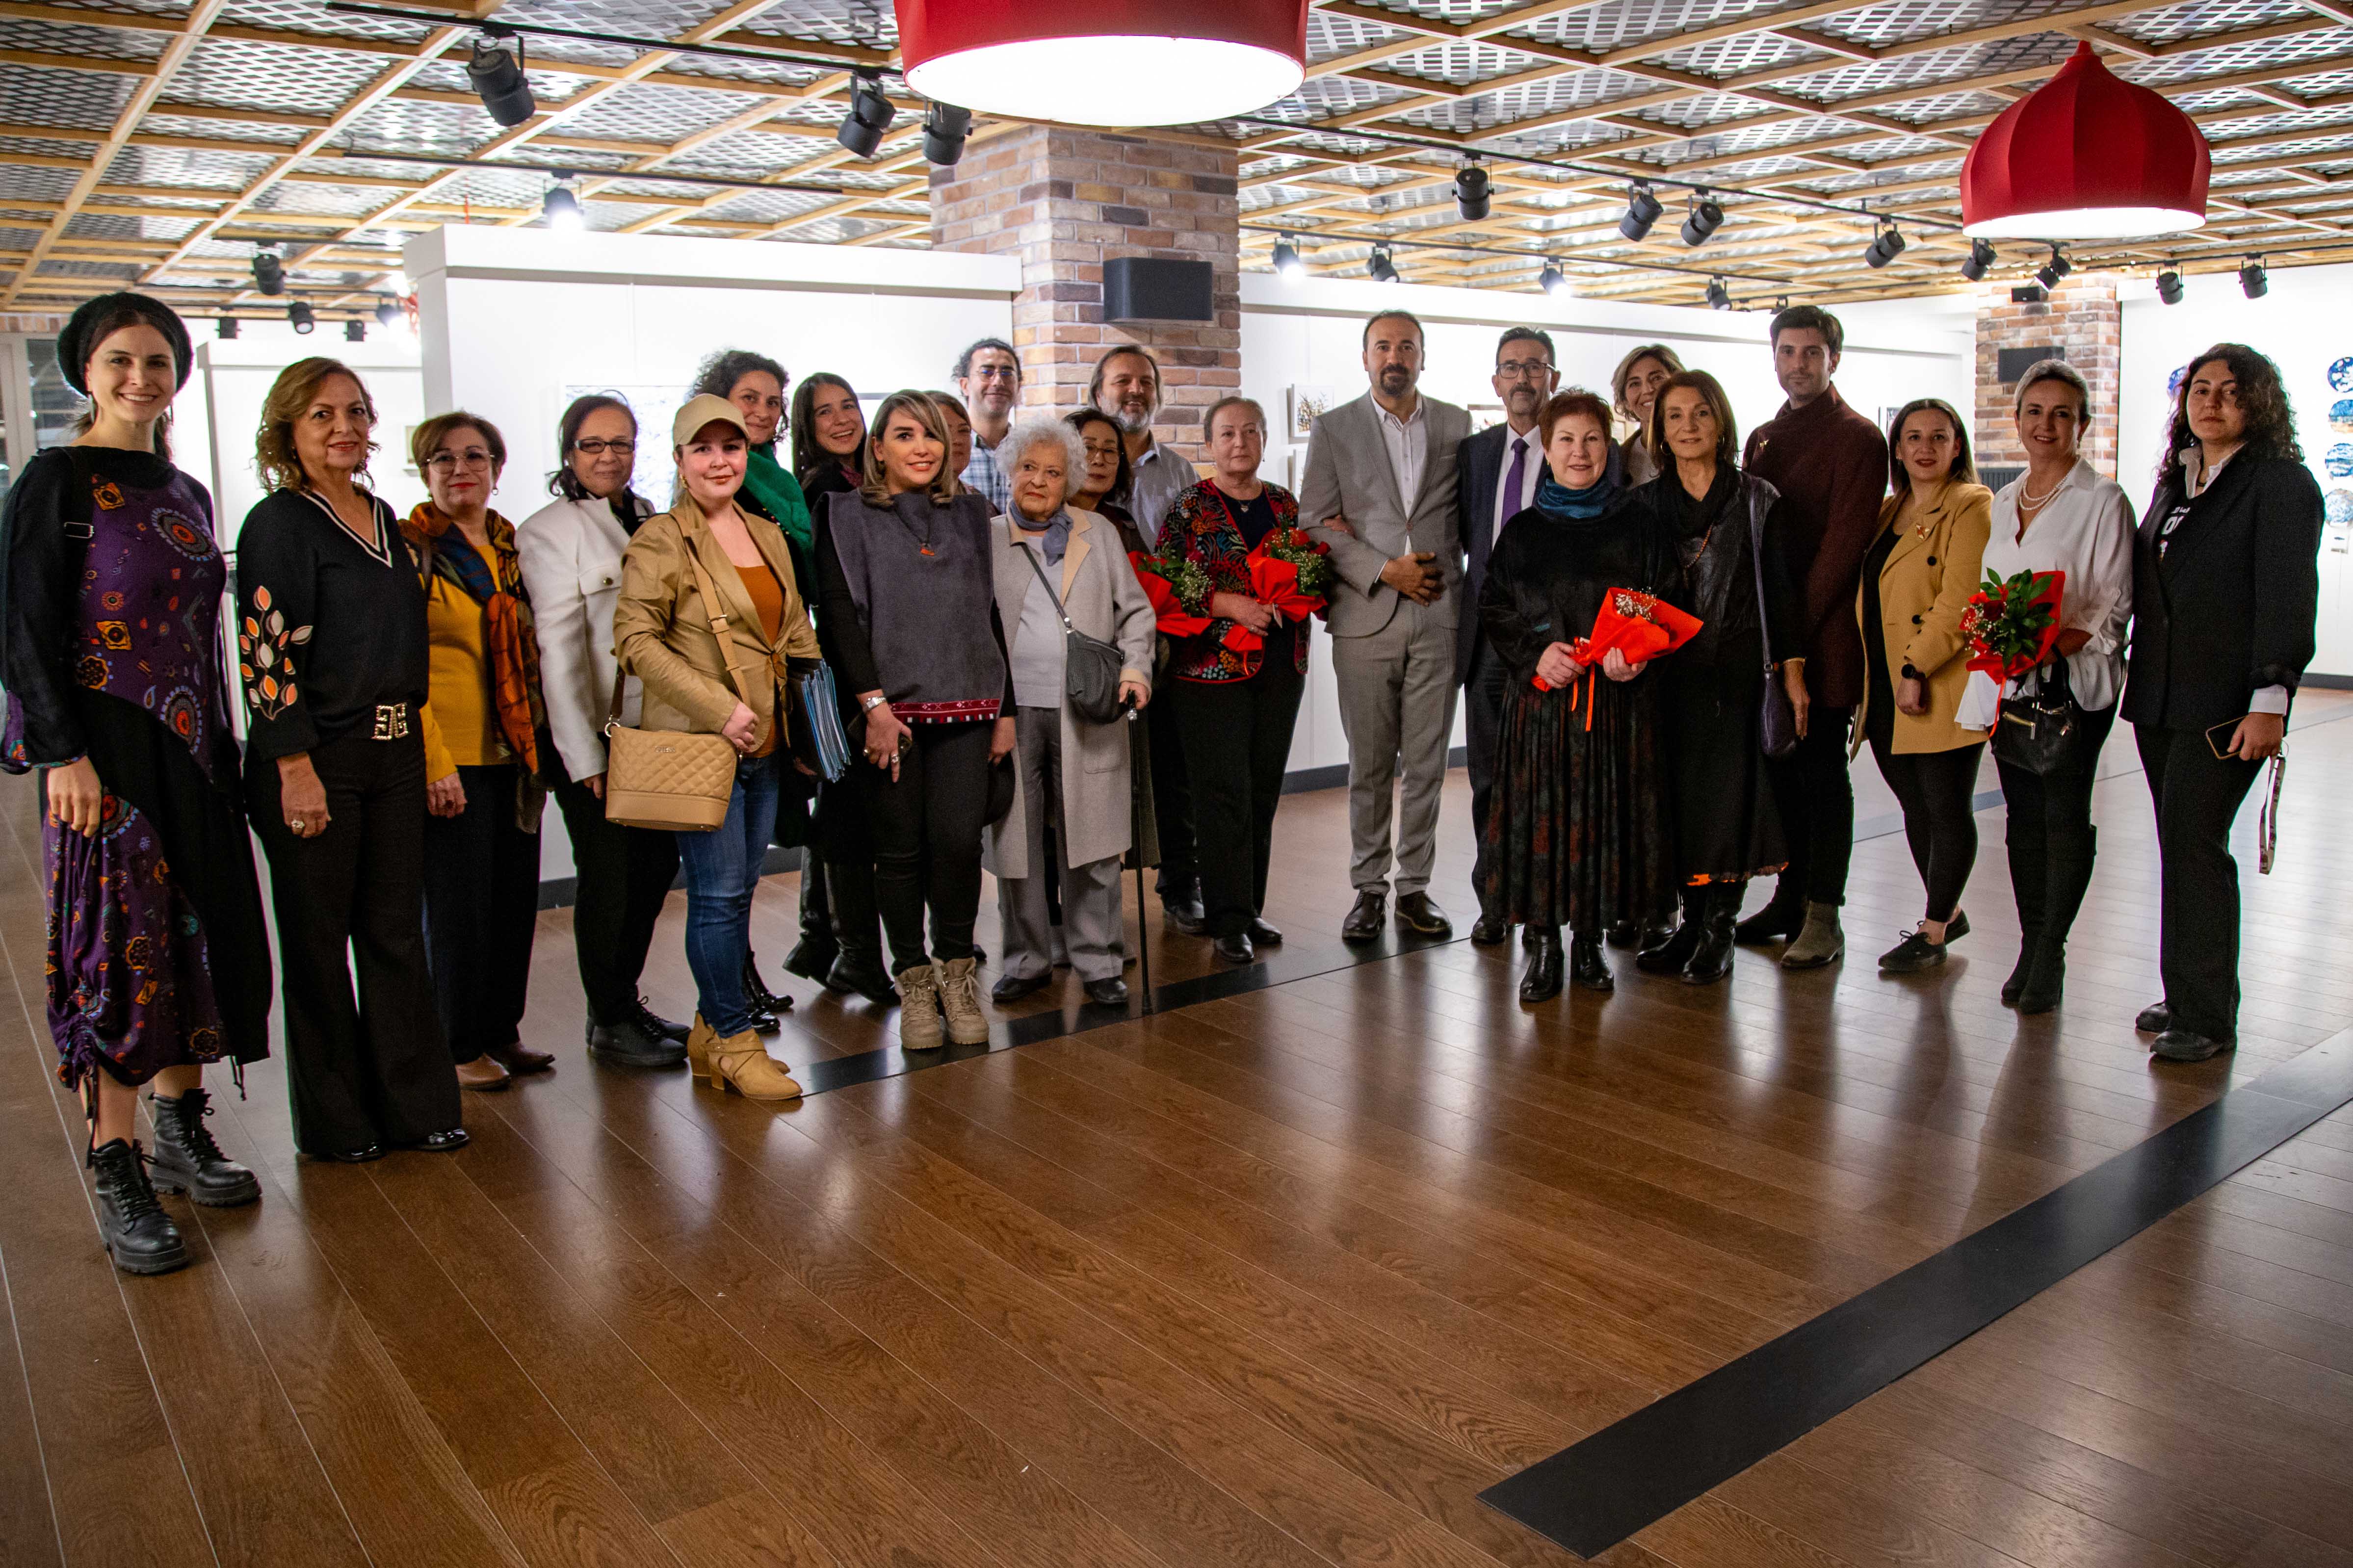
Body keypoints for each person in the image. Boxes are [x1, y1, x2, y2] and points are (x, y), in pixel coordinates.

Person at [0, 292, 270, 1274]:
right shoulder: (55, 480)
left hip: (193, 745)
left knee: (196, 927)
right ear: (86, 370)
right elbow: (21, 625)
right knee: (118, 946)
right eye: (120, 359)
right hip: (104, 747)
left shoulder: (187, 489)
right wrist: (60, 754)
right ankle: (115, 1158)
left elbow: (200, 633)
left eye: (157, 361)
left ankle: (180, 1126)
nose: (139, 378)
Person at [236, 358, 466, 1161]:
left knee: (395, 934)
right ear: (288, 431)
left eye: (356, 412)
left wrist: (426, 755)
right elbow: (266, 657)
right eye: (322, 415)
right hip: (316, 760)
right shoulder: (278, 523)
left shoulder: (384, 518)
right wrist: (293, 767)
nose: (344, 428)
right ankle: (337, 1124)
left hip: (394, 753)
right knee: (318, 942)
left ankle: (414, 1106)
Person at [614, 394, 818, 1099]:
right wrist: (719, 708)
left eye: (731, 447)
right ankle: (734, 1039)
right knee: (717, 896)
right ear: (679, 460)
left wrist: (810, 723)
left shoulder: (765, 533)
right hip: (705, 745)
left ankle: (709, 1029)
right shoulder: (661, 539)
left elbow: (794, 630)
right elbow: (634, 640)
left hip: (766, 743)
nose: (719, 461)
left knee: (737, 894)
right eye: (702, 448)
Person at [2125, 343, 2322, 1064]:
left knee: (2196, 845)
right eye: (2200, 389)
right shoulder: (2176, 480)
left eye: (2231, 391)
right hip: (2160, 696)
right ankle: (2183, 992)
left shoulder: (2280, 484)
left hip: (2226, 703)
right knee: (2178, 844)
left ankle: (2207, 1016)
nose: (2211, 402)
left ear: (2259, 403)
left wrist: (2271, 699)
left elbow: (2286, 594)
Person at [815, 392, 1017, 1048]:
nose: (922, 447)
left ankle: (957, 976)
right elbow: (840, 620)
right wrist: (872, 706)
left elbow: (990, 614)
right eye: (904, 435)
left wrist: (1007, 709)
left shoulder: (972, 514)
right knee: (899, 853)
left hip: (969, 706)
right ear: (877, 448)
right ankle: (915, 986)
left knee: (958, 846)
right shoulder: (843, 514)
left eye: (930, 434)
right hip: (889, 716)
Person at [1478, 389, 1674, 1002]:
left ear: (1607, 447)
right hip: (1542, 706)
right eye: (1565, 440)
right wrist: (1536, 652)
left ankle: (1588, 942)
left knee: (1600, 822)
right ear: (1547, 448)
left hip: (1615, 705)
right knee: (1543, 823)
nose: (1579, 452)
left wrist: (1635, 654)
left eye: (1591, 439)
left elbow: (1665, 600)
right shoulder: (1522, 531)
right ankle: (1543, 945)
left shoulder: (1639, 525)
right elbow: (1494, 605)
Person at [517, 394, 691, 1069]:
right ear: (569, 453)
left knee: (655, 866)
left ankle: (618, 1003)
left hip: (655, 731)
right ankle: (611, 1019)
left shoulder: (648, 517)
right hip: (592, 737)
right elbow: (558, 653)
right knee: (610, 877)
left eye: (621, 443)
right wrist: (582, 756)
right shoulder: (549, 532)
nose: (608, 456)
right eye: (593, 445)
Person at [1961, 361, 2133, 1014]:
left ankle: (2052, 950)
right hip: (2011, 689)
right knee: (2021, 823)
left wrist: (2044, 648)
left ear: (2082, 425)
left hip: (2073, 687)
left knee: (2062, 821)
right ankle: (2030, 941)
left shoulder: (2102, 500)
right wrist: (1997, 649)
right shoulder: (2005, 499)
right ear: (2017, 421)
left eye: (2062, 413)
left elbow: (2112, 603)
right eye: (2034, 411)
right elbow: (1993, 593)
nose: (2046, 424)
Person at [1300, 310, 1471, 942]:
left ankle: (1414, 889)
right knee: (1369, 765)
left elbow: (1468, 514)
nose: (1393, 357)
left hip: (1439, 613)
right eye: (1382, 347)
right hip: (1364, 616)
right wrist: (1381, 569)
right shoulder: (1334, 428)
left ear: (1422, 357)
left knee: (1426, 764)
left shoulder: (1456, 424)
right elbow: (1313, 520)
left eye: (1406, 347)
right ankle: (1368, 889)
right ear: (1365, 357)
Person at [1634, 371, 1803, 985]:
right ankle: (1688, 925)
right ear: (1659, 430)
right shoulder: (1642, 505)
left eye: (1700, 413)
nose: (1688, 426)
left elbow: (1782, 595)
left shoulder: (1757, 498)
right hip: (1665, 677)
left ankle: (1719, 930)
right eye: (1674, 416)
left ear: (1721, 421)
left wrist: (1793, 675)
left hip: (1736, 676)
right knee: (1677, 803)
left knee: (1729, 802)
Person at [984, 416, 1156, 1006]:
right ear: (1010, 471)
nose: (1038, 480)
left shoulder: (1098, 532)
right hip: (1010, 713)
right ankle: (1027, 959)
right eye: (1028, 467)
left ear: (1070, 480)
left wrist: (1135, 669)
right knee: (1016, 840)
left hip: (1088, 706)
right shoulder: (986, 537)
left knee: (1094, 837)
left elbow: (1136, 612)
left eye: (1052, 472)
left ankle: (1099, 960)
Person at [1738, 305, 1887, 968]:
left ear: (1833, 359)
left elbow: (1841, 551)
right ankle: (1790, 899)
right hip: (1773, 637)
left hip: (1822, 639)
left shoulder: (1859, 439)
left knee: (1823, 777)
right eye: (1787, 351)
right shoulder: (1764, 437)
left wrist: (1791, 640)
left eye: (1811, 352)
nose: (1797, 364)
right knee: (1782, 773)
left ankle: (1825, 914)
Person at [405, 412, 550, 1093]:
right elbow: (402, 666)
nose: (459, 469)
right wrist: (432, 761)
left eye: (474, 457)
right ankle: (456, 1043)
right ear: (425, 472)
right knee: (456, 912)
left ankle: (500, 1029)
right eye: (443, 458)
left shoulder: (512, 549)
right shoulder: (412, 550)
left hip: (515, 754)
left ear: (497, 468)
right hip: (451, 756)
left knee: (511, 904)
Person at [1160, 397, 1309, 965]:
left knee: (1261, 790)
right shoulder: (1189, 507)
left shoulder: (1285, 504)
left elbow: (1306, 570)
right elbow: (1167, 580)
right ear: (1209, 444)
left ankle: (1248, 906)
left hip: (1280, 665)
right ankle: (1225, 920)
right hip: (1208, 672)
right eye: (1226, 433)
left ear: (1264, 439)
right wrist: (1231, 605)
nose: (1239, 443)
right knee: (1221, 794)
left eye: (1250, 431)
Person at [1851, 399, 1992, 975]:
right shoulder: (1889, 510)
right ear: (1897, 448)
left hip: (1936, 680)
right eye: (1913, 437)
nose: (1925, 448)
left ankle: (1932, 930)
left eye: (1938, 436)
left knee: (1944, 805)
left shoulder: (1970, 505)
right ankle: (1947, 910)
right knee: (1913, 804)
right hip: (1884, 682)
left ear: (1957, 446)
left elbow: (1962, 601)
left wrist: (1915, 668)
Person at [691, 348, 811, 1022]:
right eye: (749, 399)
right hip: (720, 703)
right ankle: (726, 1013)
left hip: (772, 697)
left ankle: (739, 986)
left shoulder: (776, 483)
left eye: (772, 401)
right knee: (720, 885)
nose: (763, 412)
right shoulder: (702, 502)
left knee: (743, 876)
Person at [1072, 405, 1201, 934]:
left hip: (1136, 672)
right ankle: (1069, 914)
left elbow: (1149, 596)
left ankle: (1181, 885)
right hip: (1072, 681)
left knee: (1171, 778)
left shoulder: (1121, 522)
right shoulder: (1043, 521)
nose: (1100, 458)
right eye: (1088, 448)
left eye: (1110, 450)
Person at [1455, 326, 1562, 948]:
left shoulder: (1580, 446)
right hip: (1488, 638)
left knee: (1549, 780)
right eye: (1511, 368)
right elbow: (1459, 535)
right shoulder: (1475, 452)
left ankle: (1545, 906)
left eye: (1534, 367)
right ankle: (1494, 899)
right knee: (1489, 780)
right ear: (1495, 382)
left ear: (1553, 377)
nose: (1523, 378)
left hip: (1555, 640)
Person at [1090, 346, 1193, 544]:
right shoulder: (1076, 465)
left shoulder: (1182, 472)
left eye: (1147, 382)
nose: (1137, 390)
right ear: (1098, 396)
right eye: (1123, 381)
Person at [952, 339, 1020, 509]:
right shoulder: (949, 449)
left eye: (1007, 373)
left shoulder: (1029, 450)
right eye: (987, 372)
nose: (998, 382)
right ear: (964, 385)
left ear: (1019, 385)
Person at [1611, 344, 1684, 489]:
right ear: (1625, 401)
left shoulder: (1697, 446)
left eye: (1657, 378)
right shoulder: (1617, 461)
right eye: (1635, 384)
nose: (1648, 390)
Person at [791, 372, 866, 504]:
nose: (842, 420)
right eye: (825, 412)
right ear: (807, 426)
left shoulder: (873, 473)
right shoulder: (824, 487)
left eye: (848, 406)